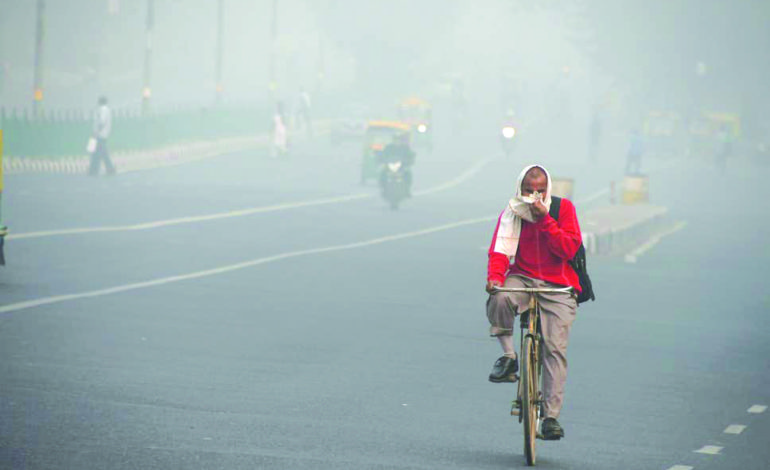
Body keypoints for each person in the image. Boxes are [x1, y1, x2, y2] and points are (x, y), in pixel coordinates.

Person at [485, 165, 582, 441]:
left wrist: (545, 221)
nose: (534, 197)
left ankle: (550, 417)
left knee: (554, 347)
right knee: (500, 296)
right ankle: (508, 357)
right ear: (520, 189)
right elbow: (501, 251)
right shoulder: (513, 211)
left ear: (547, 189)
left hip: (558, 285)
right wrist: (494, 277)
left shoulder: (562, 210)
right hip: (523, 278)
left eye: (540, 191)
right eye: (529, 191)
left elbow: (568, 248)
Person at [88, 96, 115, 176]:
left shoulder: (102, 109)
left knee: (98, 153)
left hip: (99, 134)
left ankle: (95, 169)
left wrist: (96, 132)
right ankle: (97, 169)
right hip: (104, 134)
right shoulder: (107, 110)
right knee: (100, 153)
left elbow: (101, 122)